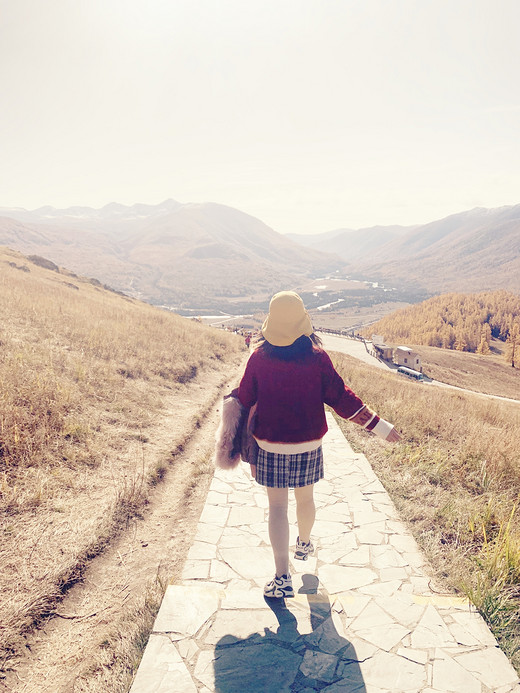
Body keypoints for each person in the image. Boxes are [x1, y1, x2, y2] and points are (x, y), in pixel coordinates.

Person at [237, 291, 400, 598]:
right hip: (308, 444)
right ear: (302, 322)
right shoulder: (317, 358)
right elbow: (341, 397)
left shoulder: (259, 359)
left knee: (277, 507)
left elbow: (243, 398)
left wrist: (228, 431)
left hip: (270, 446)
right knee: (305, 499)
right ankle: (304, 542)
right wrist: (380, 426)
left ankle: (282, 577)